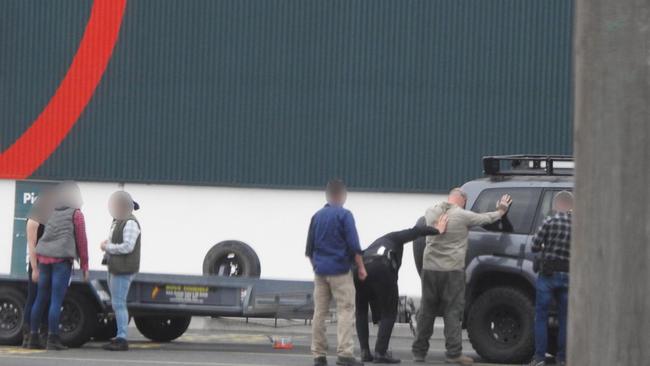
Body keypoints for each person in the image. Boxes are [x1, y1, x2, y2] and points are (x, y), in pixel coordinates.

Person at [412, 188, 512, 365]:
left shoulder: (431, 211)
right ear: (463, 201)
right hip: (452, 270)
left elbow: (427, 228)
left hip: (430, 269)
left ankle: (419, 353)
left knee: (427, 311)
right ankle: (453, 354)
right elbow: (486, 218)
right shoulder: (463, 215)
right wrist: (501, 210)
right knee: (452, 311)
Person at [355, 215, 449, 364]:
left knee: (360, 310)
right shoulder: (394, 238)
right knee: (389, 312)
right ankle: (380, 352)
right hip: (382, 267)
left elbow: (374, 295)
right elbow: (415, 231)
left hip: (360, 267)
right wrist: (437, 230)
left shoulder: (373, 245)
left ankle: (365, 352)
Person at [305, 179, 368, 366]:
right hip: (340, 271)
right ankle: (345, 354)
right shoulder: (345, 215)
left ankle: (318, 355)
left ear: (327, 195)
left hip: (320, 271)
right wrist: (362, 268)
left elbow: (309, 249)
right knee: (346, 310)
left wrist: (317, 266)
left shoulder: (316, 216)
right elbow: (354, 246)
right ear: (342, 195)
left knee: (320, 312)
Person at [28, 181, 89, 350]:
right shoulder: (76, 214)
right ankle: (52, 339)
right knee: (56, 300)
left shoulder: (50, 211)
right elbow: (82, 241)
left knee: (41, 298)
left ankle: (33, 337)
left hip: (44, 257)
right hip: (61, 260)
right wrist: (85, 266)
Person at [528, 191, 573, 366]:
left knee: (541, 316)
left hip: (548, 275)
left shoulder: (549, 221)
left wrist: (545, 245)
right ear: (571, 206)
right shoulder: (577, 224)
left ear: (556, 206)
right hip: (568, 276)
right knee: (565, 318)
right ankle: (562, 358)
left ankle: (540, 358)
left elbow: (534, 246)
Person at [100, 191, 142, 351]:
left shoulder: (130, 223)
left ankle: (122, 338)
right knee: (118, 303)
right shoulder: (119, 221)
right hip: (116, 267)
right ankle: (119, 336)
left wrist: (107, 247)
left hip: (123, 268)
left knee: (119, 303)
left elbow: (127, 247)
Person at [22, 190, 54, 348]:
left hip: (47, 263)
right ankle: (28, 335)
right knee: (33, 297)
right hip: (38, 263)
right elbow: (32, 245)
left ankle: (40, 332)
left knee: (44, 298)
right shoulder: (34, 219)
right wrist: (35, 269)